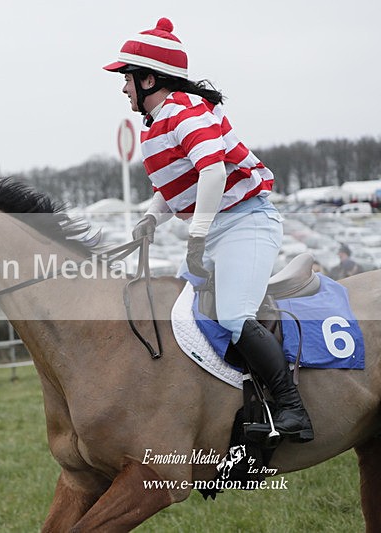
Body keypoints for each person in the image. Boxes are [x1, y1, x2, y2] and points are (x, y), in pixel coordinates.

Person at [103, 18, 313, 442]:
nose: (123, 88)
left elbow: (213, 174)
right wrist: (149, 218)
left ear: (148, 79)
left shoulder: (185, 111)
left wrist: (196, 234)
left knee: (235, 315)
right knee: (178, 315)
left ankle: (292, 409)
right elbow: (173, 189)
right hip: (218, 229)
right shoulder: (156, 125)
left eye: (127, 78)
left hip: (246, 222)